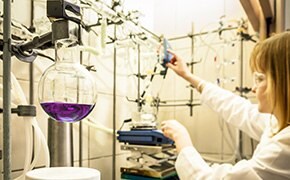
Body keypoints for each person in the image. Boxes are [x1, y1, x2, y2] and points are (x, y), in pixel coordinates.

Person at [161, 32, 290, 179]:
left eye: (260, 79)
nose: (253, 88)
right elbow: (238, 108)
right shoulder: (279, 123)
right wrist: (188, 76)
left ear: (284, 84)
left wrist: (181, 138)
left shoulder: (283, 148)